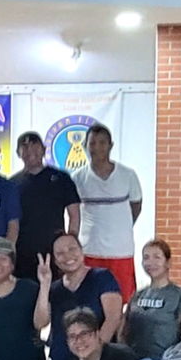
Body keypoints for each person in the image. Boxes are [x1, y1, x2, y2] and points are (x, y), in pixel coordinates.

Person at [70, 123, 143, 302]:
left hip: (121, 251)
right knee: (89, 300)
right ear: (85, 147)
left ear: (110, 145)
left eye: (102, 143)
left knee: (121, 300)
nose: (97, 148)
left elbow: (136, 206)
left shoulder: (128, 175)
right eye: (92, 143)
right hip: (89, 250)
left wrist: (120, 227)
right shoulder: (78, 178)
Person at [47, 232, 123, 360]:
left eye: (72, 249)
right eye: (60, 253)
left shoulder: (102, 277)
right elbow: (41, 322)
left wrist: (92, 356)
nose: (67, 255)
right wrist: (44, 285)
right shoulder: (54, 289)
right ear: (55, 260)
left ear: (81, 251)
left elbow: (113, 318)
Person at [12, 131, 81, 281]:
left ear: (43, 149)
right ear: (19, 153)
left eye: (35, 147)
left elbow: (74, 214)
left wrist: (70, 246)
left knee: (56, 298)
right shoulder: (12, 184)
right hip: (23, 254)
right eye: (25, 148)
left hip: (55, 253)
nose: (31, 152)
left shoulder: (61, 178)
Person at [123, 239, 181, 360]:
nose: (150, 262)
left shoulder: (180, 296)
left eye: (157, 257)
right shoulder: (137, 295)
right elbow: (124, 330)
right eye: (146, 257)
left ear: (168, 262)